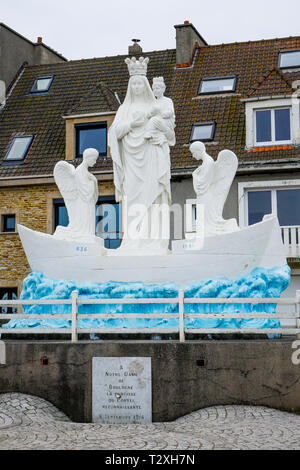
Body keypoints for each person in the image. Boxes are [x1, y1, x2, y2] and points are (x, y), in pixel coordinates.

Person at [108, 57, 176, 254]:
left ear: (145, 85)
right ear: (130, 86)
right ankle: (133, 241)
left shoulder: (154, 107)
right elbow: (114, 133)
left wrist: (161, 140)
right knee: (133, 200)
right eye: (134, 83)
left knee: (153, 199)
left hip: (152, 159)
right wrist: (132, 125)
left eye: (139, 83)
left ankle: (154, 241)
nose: (137, 86)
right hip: (131, 162)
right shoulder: (124, 109)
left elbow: (169, 134)